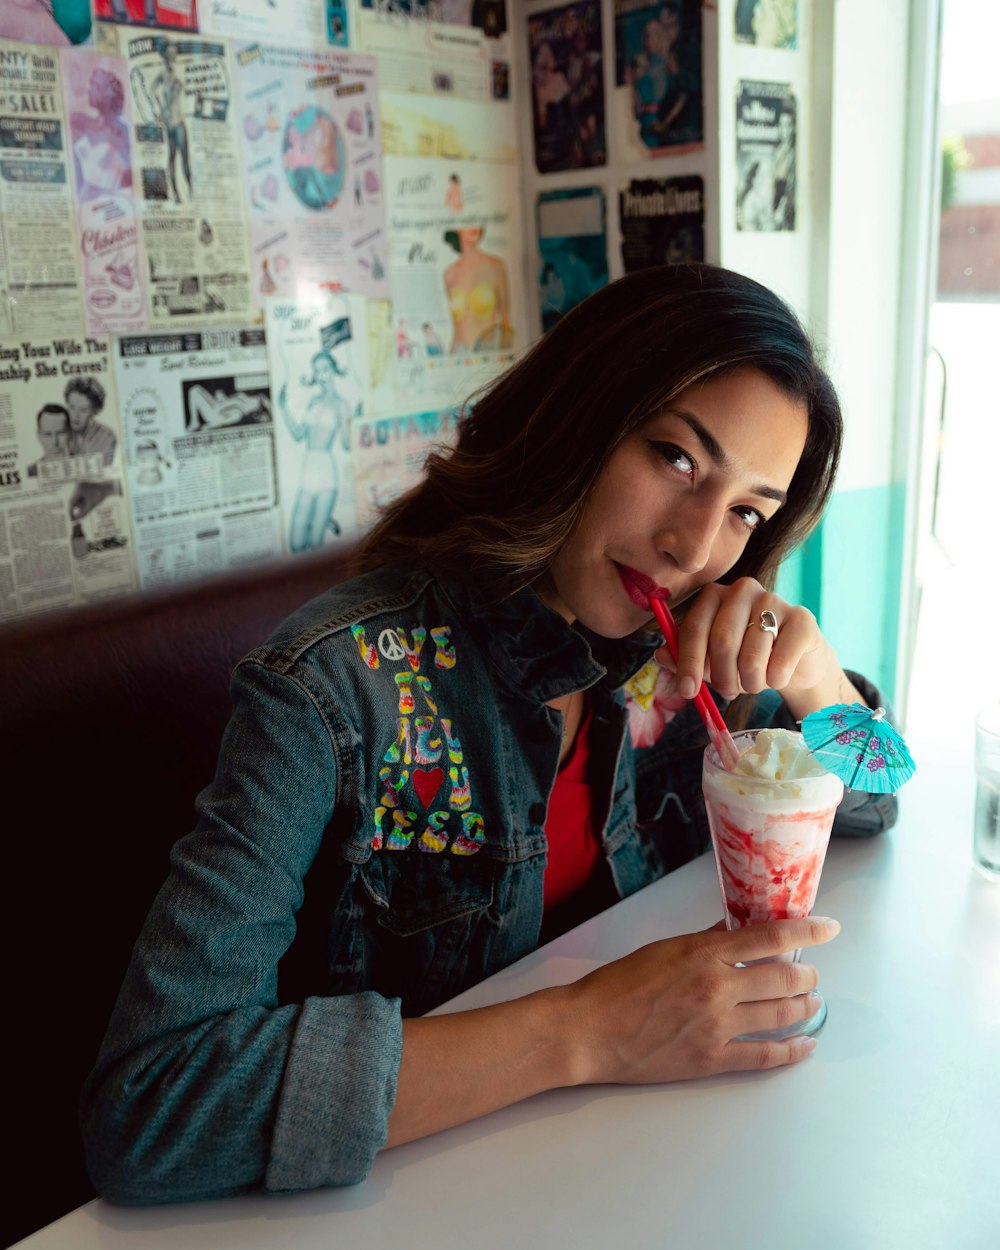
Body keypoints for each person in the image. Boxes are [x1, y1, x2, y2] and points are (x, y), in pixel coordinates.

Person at [81, 264, 897, 1207]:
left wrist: (818, 681)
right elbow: (150, 1106)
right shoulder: (336, 689)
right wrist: (590, 1032)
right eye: (676, 458)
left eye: (748, 510)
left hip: (639, 1183)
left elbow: (875, 799)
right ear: (574, 420)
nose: (694, 546)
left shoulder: (674, 662)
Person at [277, 349, 353, 549]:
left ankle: (323, 519)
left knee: (315, 544)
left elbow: (347, 445)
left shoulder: (342, 405)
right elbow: (297, 434)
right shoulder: (314, 401)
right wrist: (283, 407)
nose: (322, 375)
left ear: (334, 370)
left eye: (326, 369)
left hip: (327, 471)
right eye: (318, 371)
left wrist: (357, 422)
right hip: (308, 468)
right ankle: (325, 518)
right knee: (296, 544)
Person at [442, 226, 512, 352]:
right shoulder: (450, 274)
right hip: (460, 352)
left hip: (490, 349)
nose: (474, 228)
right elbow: (456, 328)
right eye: (467, 224)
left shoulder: (496, 266)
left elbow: (505, 319)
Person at [70, 67, 132, 203]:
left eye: (95, 86)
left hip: (107, 207)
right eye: (91, 84)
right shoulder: (79, 122)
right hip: (81, 204)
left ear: (108, 94)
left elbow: (131, 179)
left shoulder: (123, 131)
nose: (89, 90)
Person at [64, 377, 117, 466]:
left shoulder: (107, 437)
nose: (75, 416)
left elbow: (106, 472)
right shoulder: (60, 431)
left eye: (83, 410)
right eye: (72, 407)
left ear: (95, 411)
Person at [26, 403, 70, 477]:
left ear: (69, 433)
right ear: (39, 436)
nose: (55, 442)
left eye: (60, 433)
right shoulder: (30, 472)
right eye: (47, 434)